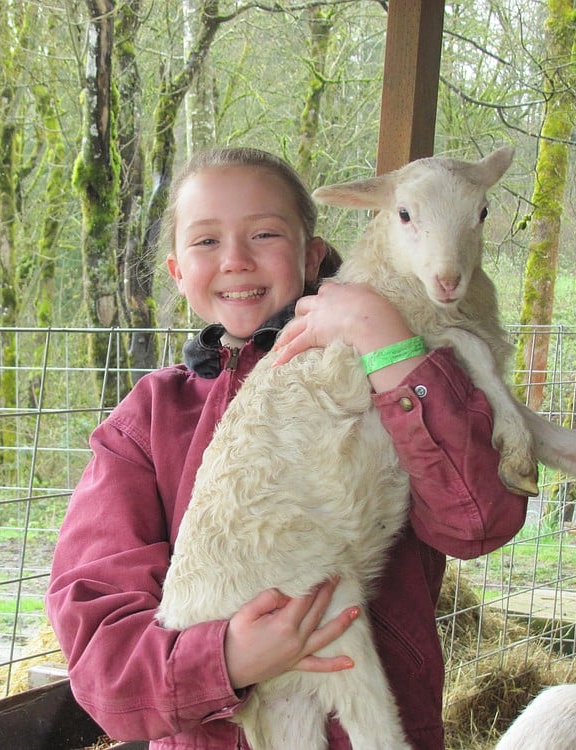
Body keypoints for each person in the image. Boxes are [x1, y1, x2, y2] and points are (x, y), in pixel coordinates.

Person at [46, 147, 528, 749]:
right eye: (205, 242)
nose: (236, 260)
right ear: (175, 271)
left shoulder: (396, 369)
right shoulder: (147, 422)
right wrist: (225, 660)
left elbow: (479, 522)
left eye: (265, 233)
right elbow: (99, 642)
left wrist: (384, 341)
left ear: (312, 256)